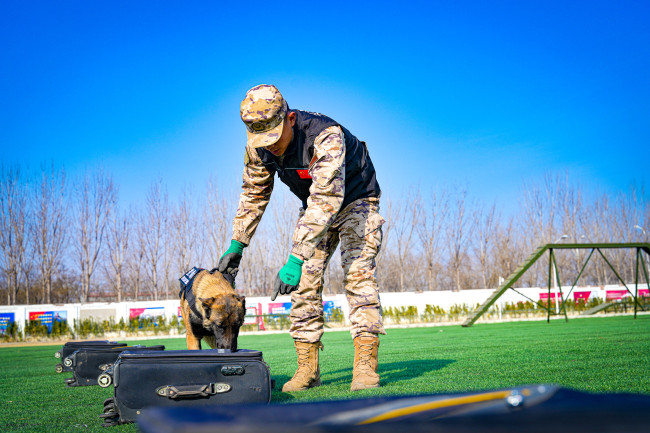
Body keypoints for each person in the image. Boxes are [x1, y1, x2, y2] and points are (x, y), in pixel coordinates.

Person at [218, 84, 386, 392]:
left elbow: (326, 198)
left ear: (291, 119)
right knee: (304, 284)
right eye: (262, 141)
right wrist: (237, 244)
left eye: (274, 137)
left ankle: (365, 365)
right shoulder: (259, 146)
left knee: (358, 277)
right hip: (315, 208)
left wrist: (295, 257)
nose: (270, 147)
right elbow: (254, 193)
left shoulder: (326, 136)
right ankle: (307, 367)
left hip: (356, 201)